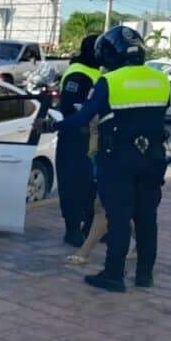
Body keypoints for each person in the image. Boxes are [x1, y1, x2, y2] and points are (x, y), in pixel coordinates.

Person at [45, 26, 170, 292]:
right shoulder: (161, 79)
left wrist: (54, 126)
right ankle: (144, 275)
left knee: (119, 216)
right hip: (153, 158)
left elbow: (82, 117)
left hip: (118, 159)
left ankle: (114, 275)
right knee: (147, 217)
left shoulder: (110, 82)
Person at [56, 35, 100, 247]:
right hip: (75, 138)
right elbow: (70, 107)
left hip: (94, 138)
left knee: (93, 186)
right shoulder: (78, 73)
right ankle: (72, 229)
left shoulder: (99, 70)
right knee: (73, 185)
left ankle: (91, 226)